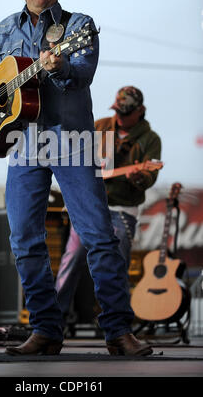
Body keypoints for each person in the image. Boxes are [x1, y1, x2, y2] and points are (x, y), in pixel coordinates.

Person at [0, 0, 153, 356]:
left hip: (71, 142)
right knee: (24, 239)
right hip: (24, 144)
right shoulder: (4, 31)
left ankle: (118, 331)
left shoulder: (79, 25)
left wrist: (61, 68)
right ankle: (45, 329)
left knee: (98, 235)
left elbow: (83, 73)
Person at [55, 86, 162, 326]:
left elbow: (149, 179)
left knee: (116, 266)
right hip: (88, 208)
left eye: (126, 113)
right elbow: (75, 154)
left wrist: (137, 176)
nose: (120, 117)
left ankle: (116, 324)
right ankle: (51, 320)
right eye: (118, 112)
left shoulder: (151, 139)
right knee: (70, 261)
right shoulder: (100, 126)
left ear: (140, 111)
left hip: (122, 211)